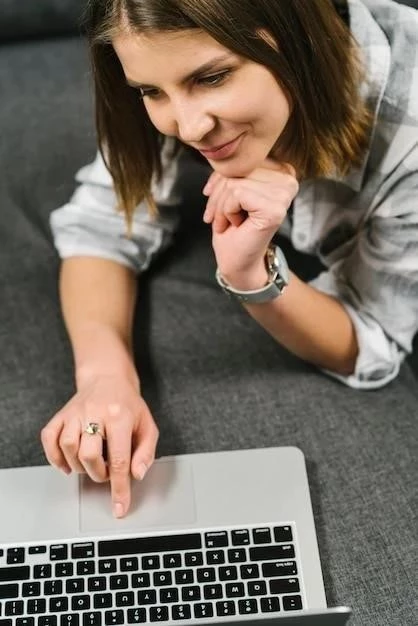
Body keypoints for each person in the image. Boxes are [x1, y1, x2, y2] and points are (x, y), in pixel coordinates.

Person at [40, 0, 418, 519]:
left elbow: (370, 340)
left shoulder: (411, 126)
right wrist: (105, 377)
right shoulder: (163, 65)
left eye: (212, 77)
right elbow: (102, 224)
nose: (189, 128)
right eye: (151, 91)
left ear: (295, 38)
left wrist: (250, 273)